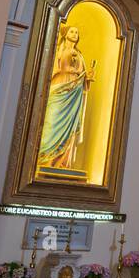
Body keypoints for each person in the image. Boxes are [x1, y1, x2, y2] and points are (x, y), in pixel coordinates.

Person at [38, 25, 96, 170]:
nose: (75, 34)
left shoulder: (79, 54)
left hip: (74, 95)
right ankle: (44, 159)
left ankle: (60, 163)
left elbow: (82, 75)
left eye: (77, 32)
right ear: (65, 34)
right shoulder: (59, 51)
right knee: (52, 121)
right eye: (72, 31)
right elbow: (54, 69)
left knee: (69, 127)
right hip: (59, 89)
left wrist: (87, 77)